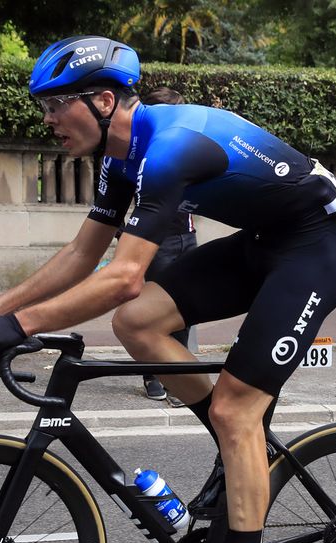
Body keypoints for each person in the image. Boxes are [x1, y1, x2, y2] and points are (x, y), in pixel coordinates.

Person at [0, 36, 336, 543]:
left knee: (236, 406)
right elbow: (85, 253)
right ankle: (237, 444)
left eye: (56, 106)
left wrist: (23, 326)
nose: (48, 121)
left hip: (319, 248)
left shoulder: (168, 149)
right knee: (137, 323)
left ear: (103, 99)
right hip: (264, 241)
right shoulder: (119, 157)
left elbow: (123, 274)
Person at [135, 86, 197, 403]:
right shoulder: (140, 151)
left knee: (184, 309)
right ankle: (152, 374)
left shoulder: (186, 146)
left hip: (187, 236)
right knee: (152, 312)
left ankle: (179, 377)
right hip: (154, 242)